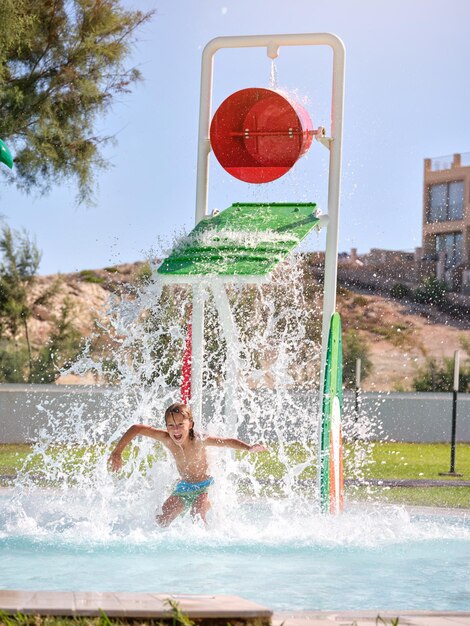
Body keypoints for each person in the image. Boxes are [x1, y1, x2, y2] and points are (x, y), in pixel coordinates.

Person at [108, 402, 267, 526]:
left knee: (196, 516)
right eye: (171, 425)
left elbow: (226, 442)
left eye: (180, 425)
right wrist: (117, 452)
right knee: (162, 520)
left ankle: (209, 542)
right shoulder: (167, 439)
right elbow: (137, 428)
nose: (175, 430)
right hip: (184, 487)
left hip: (205, 486)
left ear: (190, 424)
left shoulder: (199, 440)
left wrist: (248, 447)